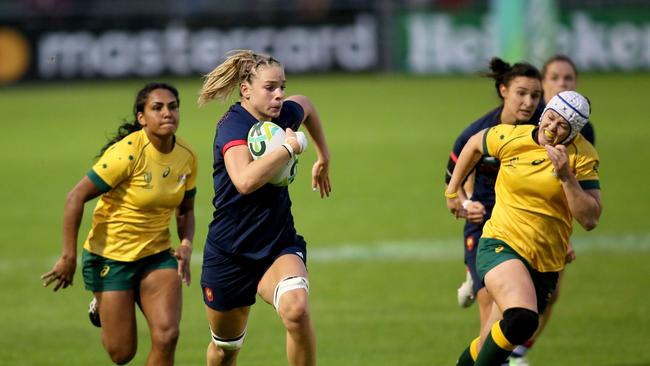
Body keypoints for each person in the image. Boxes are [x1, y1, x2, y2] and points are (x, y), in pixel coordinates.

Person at [41, 82, 197, 366]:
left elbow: (186, 209)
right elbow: (75, 197)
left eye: (173, 106)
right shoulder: (126, 154)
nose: (167, 113)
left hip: (157, 255)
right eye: (157, 107)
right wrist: (68, 257)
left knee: (167, 336)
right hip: (110, 256)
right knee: (122, 354)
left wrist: (185, 244)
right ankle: (103, 302)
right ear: (141, 117)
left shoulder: (186, 157)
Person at [446, 90, 602, 366]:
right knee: (522, 317)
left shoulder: (582, 156)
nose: (552, 128)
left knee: (488, 341)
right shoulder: (512, 136)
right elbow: (472, 145)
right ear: (544, 113)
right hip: (500, 245)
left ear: (573, 132)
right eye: (551, 117)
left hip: (545, 263)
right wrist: (452, 191)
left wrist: (566, 176)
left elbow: (589, 219)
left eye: (562, 125)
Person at [197, 50, 331, 366]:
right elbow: (244, 181)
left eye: (282, 86)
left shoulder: (283, 114)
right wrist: (288, 148)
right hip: (230, 253)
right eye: (270, 88)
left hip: (277, 244)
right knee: (225, 349)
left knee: (297, 310)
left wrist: (324, 157)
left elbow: (307, 106)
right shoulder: (232, 127)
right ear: (246, 89)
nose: (279, 95)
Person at [506, 54, 597, 365]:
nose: (562, 83)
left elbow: (577, 195)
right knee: (508, 301)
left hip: (551, 229)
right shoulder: (524, 123)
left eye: (568, 79)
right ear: (543, 86)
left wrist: (565, 234)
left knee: (550, 296)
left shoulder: (583, 134)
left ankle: (517, 355)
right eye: (554, 78)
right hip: (508, 223)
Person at [445, 57, 543, 334]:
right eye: (521, 93)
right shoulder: (476, 135)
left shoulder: (545, 132)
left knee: (526, 309)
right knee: (490, 303)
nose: (528, 102)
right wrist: (466, 205)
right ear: (504, 91)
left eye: (535, 95)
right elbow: (452, 190)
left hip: (528, 225)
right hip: (486, 225)